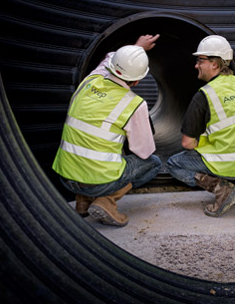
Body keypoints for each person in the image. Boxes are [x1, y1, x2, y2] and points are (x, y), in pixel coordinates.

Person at [52, 34, 162, 227]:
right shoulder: (134, 104)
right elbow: (143, 151)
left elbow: (109, 59)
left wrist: (136, 47)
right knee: (152, 162)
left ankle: (82, 203)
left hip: (66, 177)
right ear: (137, 80)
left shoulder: (89, 81)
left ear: (112, 66)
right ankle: (107, 201)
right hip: (98, 182)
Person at [167, 35, 235, 217]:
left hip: (228, 163)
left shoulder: (204, 96)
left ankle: (223, 190)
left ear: (214, 64)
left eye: (200, 60)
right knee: (233, 146)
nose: (196, 65)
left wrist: (206, 148)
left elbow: (187, 144)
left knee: (174, 163)